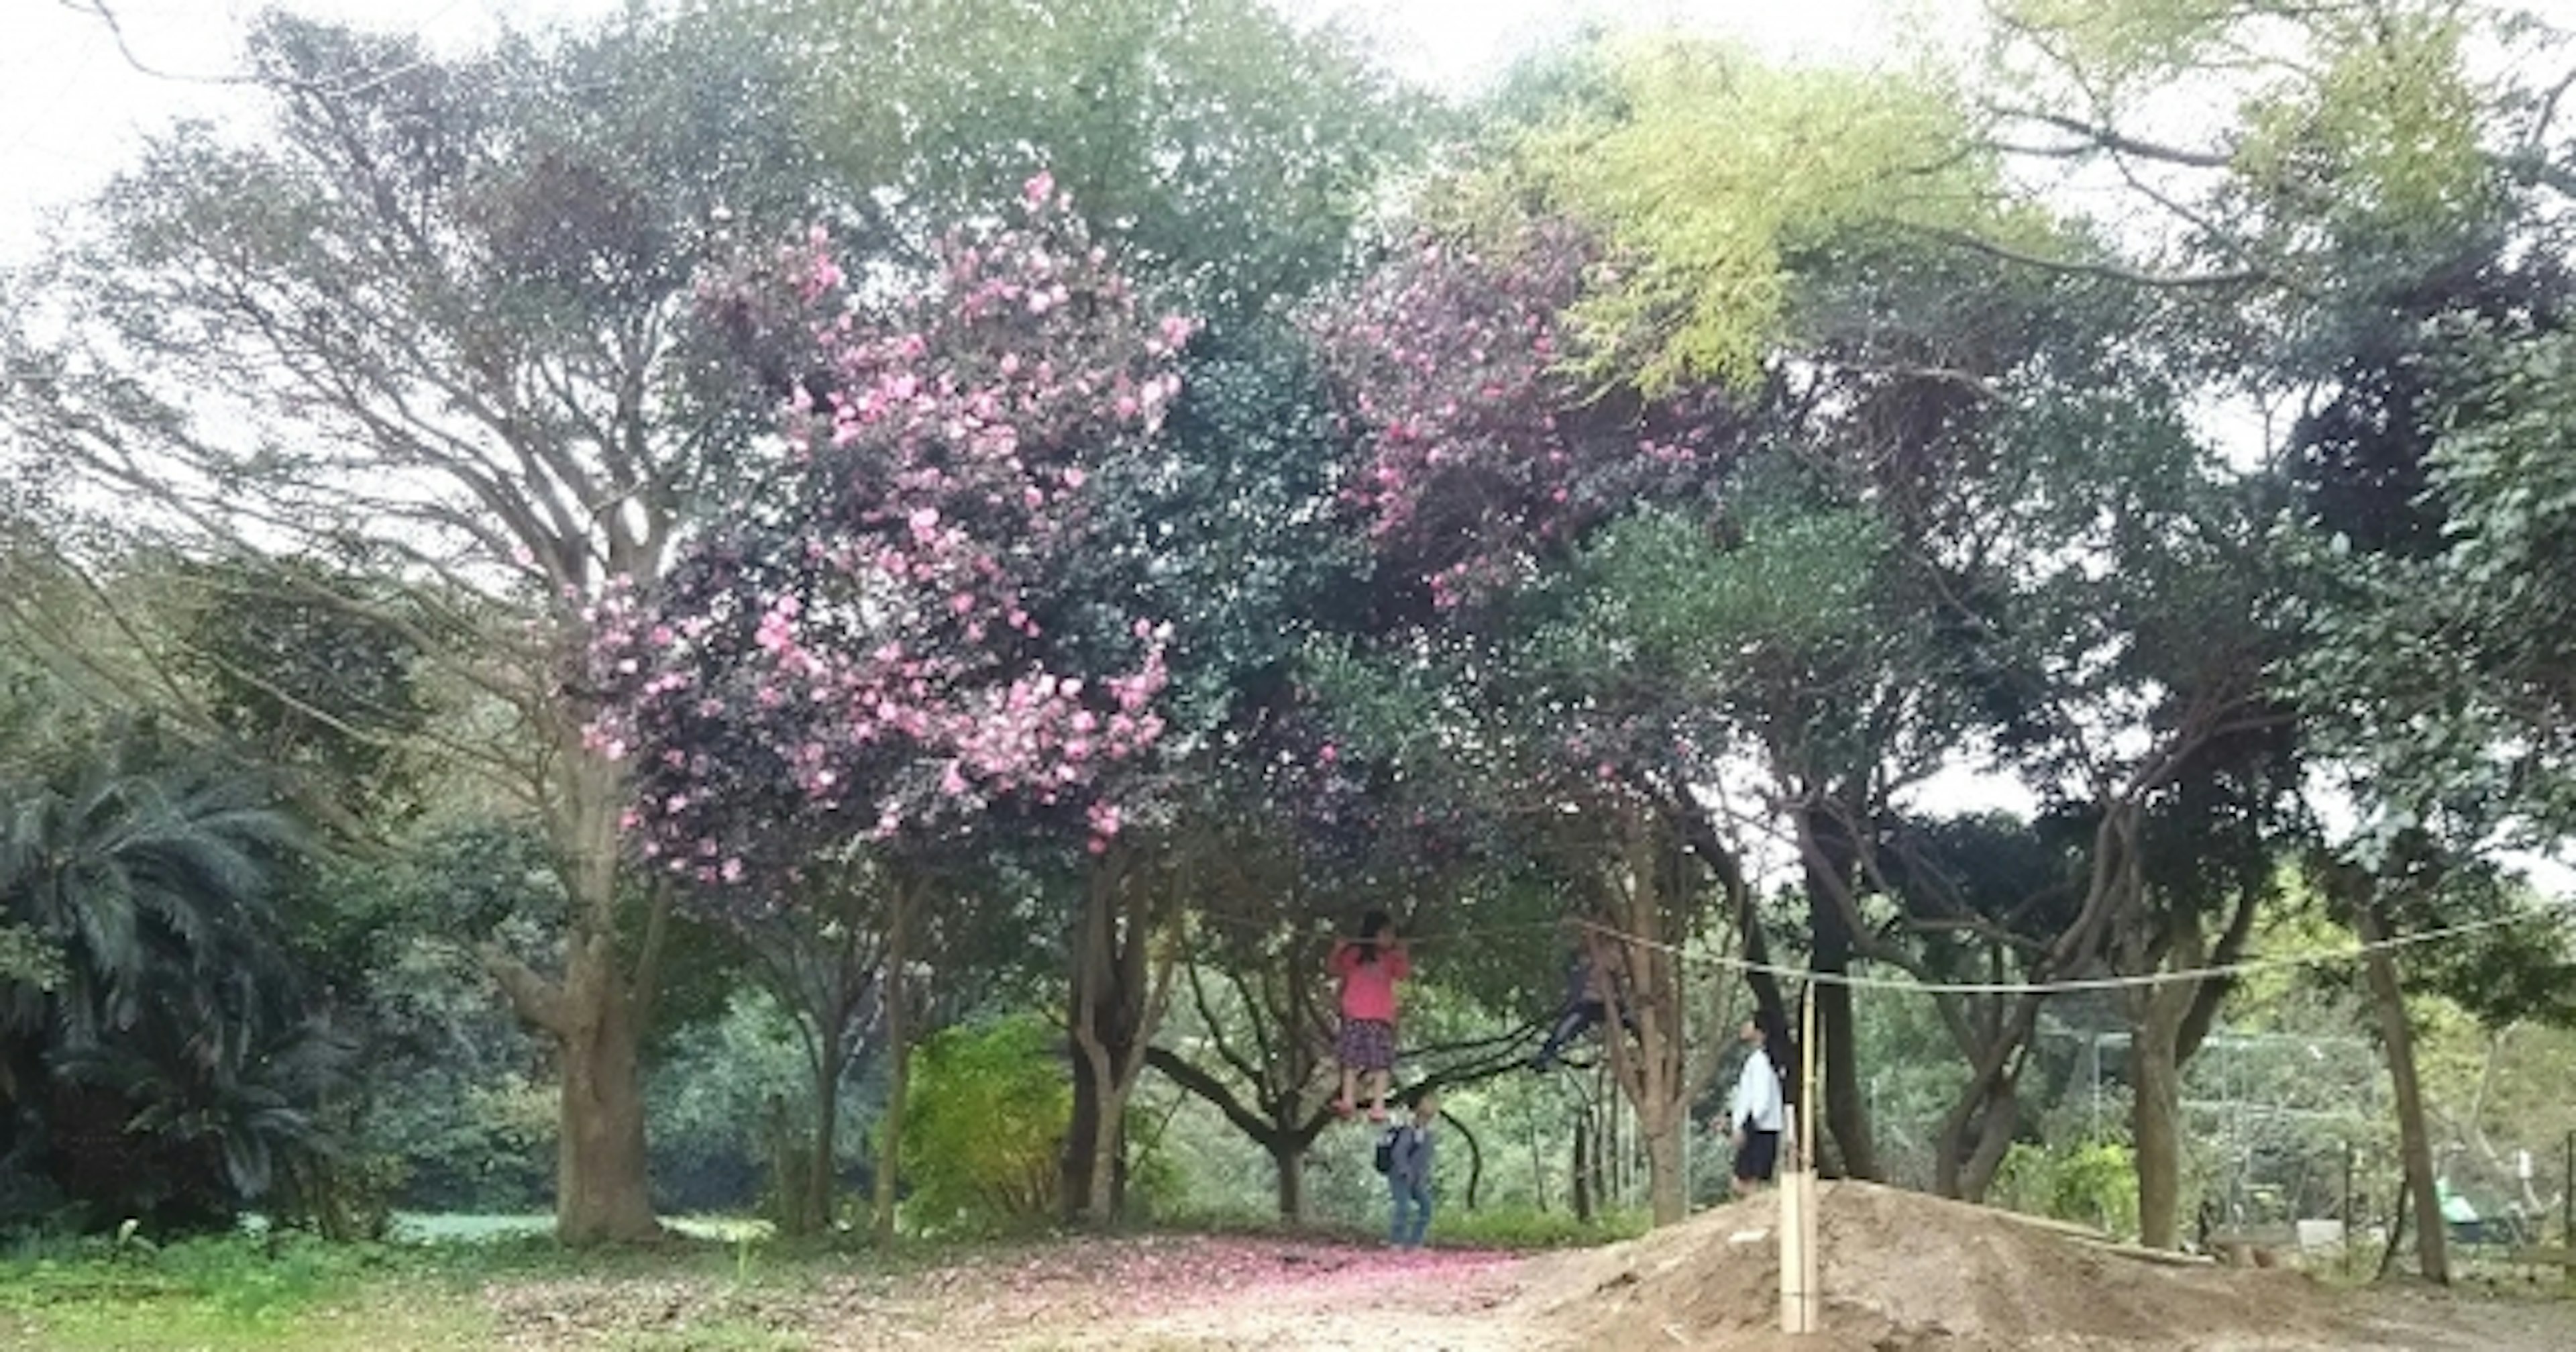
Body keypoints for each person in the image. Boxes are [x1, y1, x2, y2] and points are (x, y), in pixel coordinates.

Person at [1329, 910, 1409, 1122]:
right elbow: (1335, 969)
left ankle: (1378, 1106)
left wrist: (1403, 953)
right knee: (1350, 1061)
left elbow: (1402, 974)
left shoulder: (1390, 958)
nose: (1391, 938)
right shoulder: (1354, 954)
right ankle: (1347, 1100)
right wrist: (1337, 950)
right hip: (1355, 1015)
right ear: (1373, 933)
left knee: (1381, 1063)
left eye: (1392, 934)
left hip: (1380, 1017)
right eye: (1386, 933)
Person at [1529, 923, 1635, 1072]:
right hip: (1587, 1004)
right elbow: (1578, 973)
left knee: (1630, 1020)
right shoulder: (1585, 958)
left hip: (1609, 1003)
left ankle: (1649, 1046)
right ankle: (1548, 1052)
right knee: (1570, 1023)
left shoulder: (1617, 960)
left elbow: (1622, 975)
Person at [1722, 1016, 1784, 1197]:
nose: (1744, 1026)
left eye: (1750, 1022)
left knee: (1747, 1184)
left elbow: (1761, 1101)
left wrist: (1745, 1127)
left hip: (1760, 1130)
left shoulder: (1761, 1061)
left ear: (1760, 1032)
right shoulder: (1760, 1060)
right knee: (1745, 1182)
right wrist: (1732, 1117)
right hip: (1760, 1127)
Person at [1385, 1090, 1439, 1249]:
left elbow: (1425, 1158)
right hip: (1401, 1175)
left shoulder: (1428, 1133)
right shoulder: (1408, 1130)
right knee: (1403, 1207)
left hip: (1418, 1178)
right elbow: (1399, 1153)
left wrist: (1422, 1176)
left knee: (1426, 1207)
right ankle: (1396, 1241)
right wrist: (1405, 1171)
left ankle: (1414, 1242)